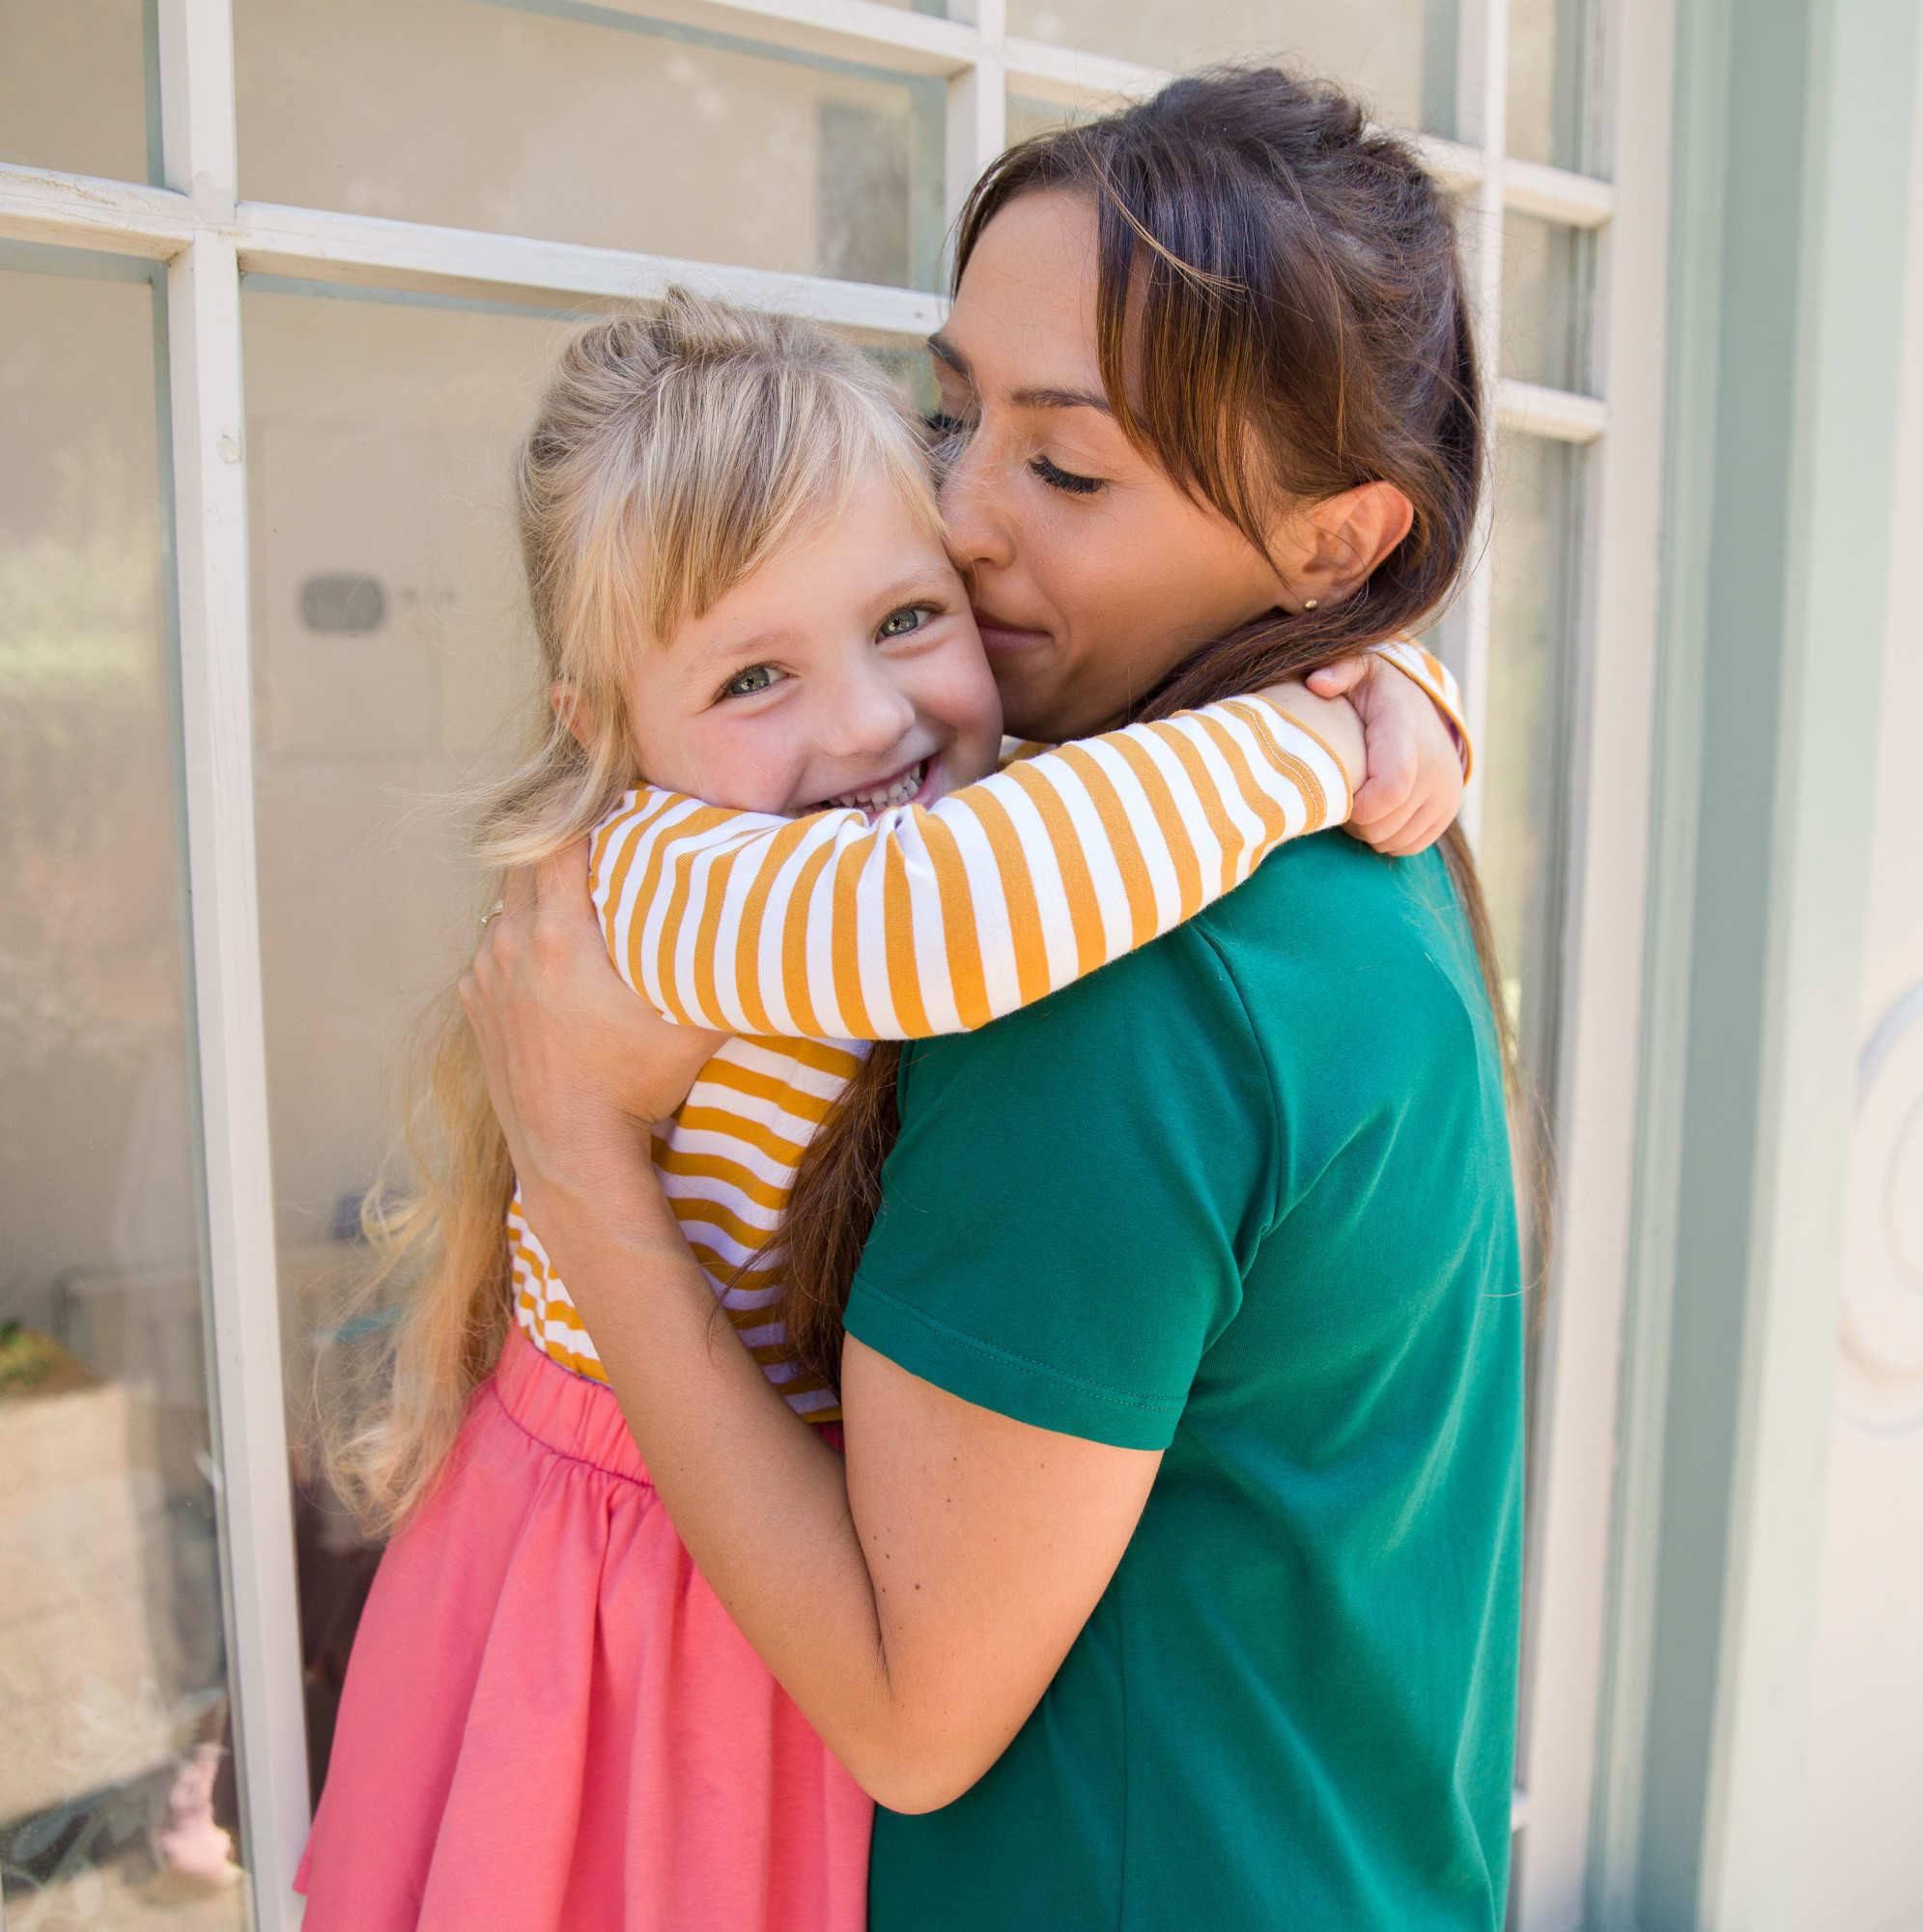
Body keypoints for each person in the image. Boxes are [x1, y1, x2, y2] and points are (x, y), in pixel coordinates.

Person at [465, 64, 1526, 1932]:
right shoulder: (1367, 868)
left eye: (1063, 465)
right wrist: (1373, 701)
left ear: (1334, 545)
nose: (951, 517)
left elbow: (910, 1716)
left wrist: (570, 1150)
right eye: (951, 416)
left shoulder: (1118, 990)